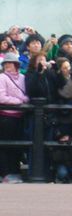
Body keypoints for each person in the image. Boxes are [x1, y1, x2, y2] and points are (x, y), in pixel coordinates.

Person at [0, 51, 29, 182]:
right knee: (6, 145)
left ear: (16, 64)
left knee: (17, 146)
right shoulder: (2, 78)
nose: (7, 66)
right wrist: (19, 101)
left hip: (20, 117)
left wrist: (23, 99)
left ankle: (15, 172)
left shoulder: (23, 78)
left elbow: (28, 95)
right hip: (6, 117)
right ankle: (6, 173)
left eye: (10, 63)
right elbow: (2, 97)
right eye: (5, 63)